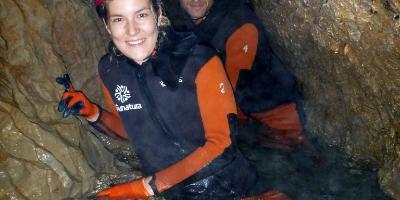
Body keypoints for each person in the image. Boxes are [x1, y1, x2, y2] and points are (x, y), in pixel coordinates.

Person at [56, 0, 291, 199]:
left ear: (157, 14)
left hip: (233, 188)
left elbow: (221, 145)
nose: (132, 30)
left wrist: (147, 186)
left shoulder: (198, 61)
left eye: (141, 15)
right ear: (107, 25)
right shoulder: (110, 71)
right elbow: (134, 132)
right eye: (119, 19)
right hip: (171, 191)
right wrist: (93, 114)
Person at [163, 0, 307, 150]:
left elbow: (228, 103)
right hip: (238, 116)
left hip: (275, 120)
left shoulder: (239, 24)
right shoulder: (172, 16)